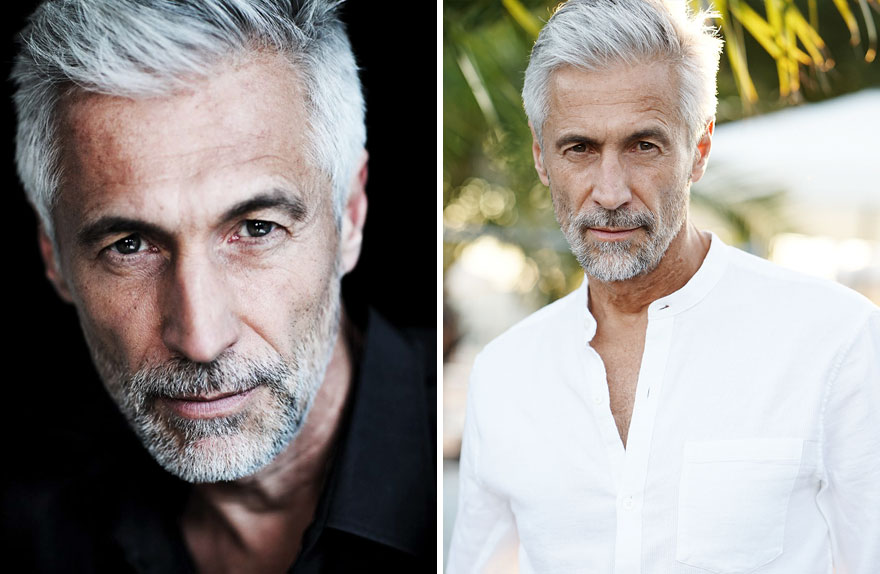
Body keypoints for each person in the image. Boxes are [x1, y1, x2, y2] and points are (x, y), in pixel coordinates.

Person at [447, 1, 879, 572]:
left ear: (699, 150)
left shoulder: (836, 340)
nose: (610, 192)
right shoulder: (504, 375)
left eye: (643, 146)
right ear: (541, 157)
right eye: (579, 148)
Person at [2, 1, 435, 572]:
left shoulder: (480, 461)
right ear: (53, 257)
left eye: (256, 229)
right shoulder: (31, 531)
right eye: (129, 245)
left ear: (350, 214)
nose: (201, 339)